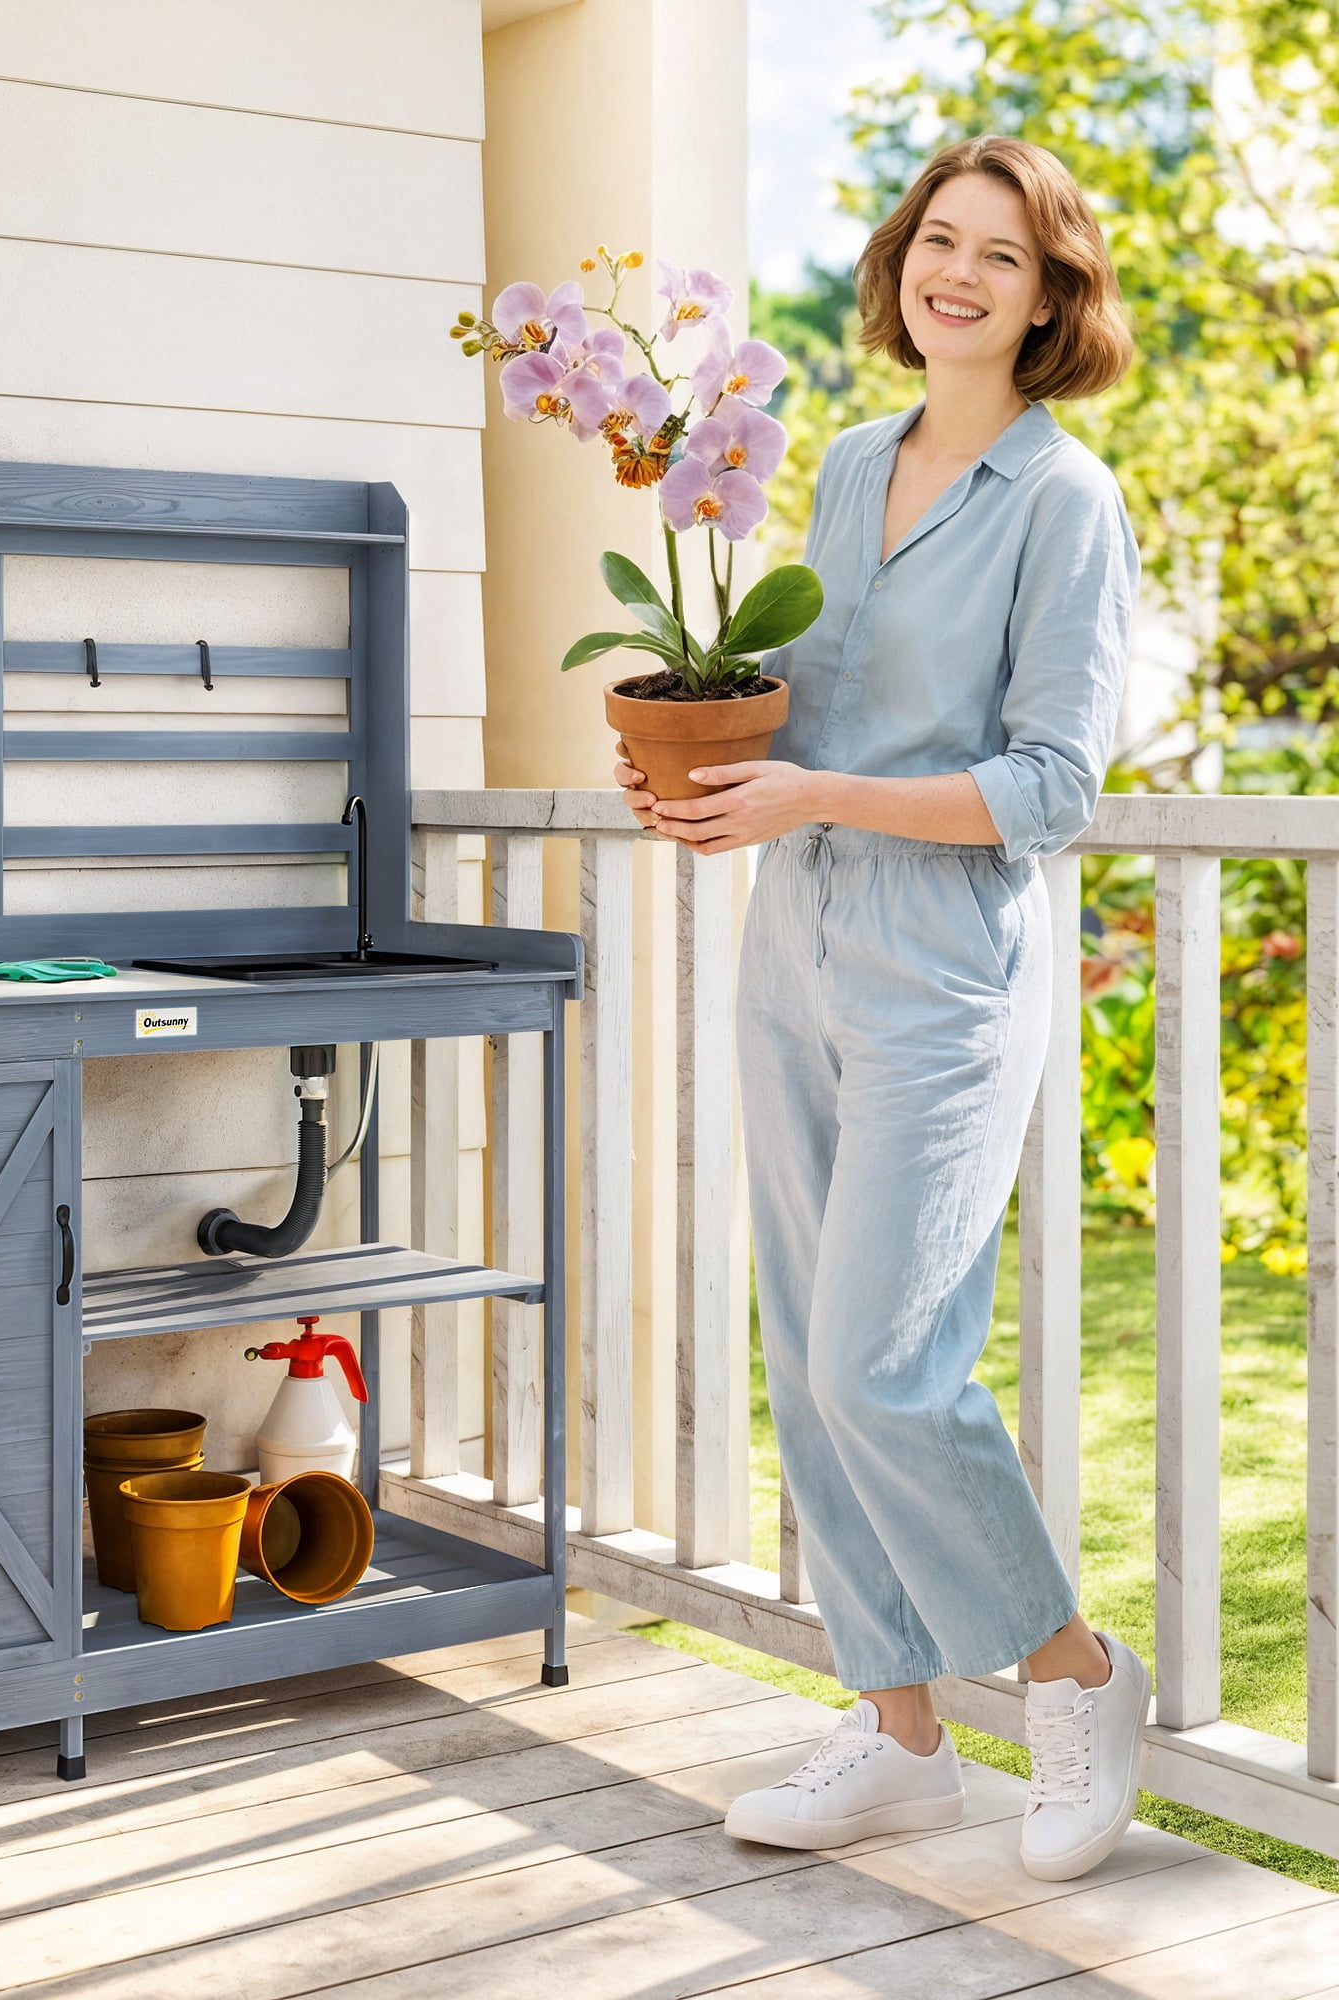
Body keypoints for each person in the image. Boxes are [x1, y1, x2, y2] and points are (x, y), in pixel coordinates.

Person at [617, 135, 1145, 1882]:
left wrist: (813, 800)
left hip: (945, 974)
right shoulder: (846, 468)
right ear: (901, 264)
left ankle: (1072, 1676)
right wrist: (704, 775)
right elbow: (804, 720)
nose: (961, 273)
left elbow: (1055, 784)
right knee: (807, 1358)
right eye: (940, 239)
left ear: (1052, 295)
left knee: (883, 1363)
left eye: (1005, 253)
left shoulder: (1066, 500)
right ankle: (902, 1729)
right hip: (798, 954)